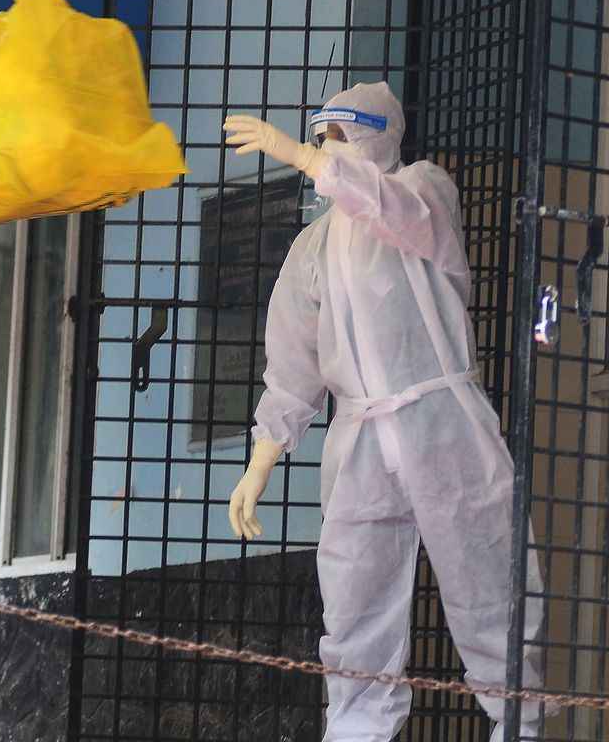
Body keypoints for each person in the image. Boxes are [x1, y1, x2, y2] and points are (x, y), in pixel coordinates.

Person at [222, 82, 547, 742]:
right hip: (359, 440)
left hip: (444, 420)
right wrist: (261, 461)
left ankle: (521, 726)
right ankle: (356, 733)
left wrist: (303, 159)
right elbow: (292, 367)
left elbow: (390, 208)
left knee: (488, 584)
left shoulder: (424, 189)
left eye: (339, 136)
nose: (326, 150)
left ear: (380, 134)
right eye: (320, 138)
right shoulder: (312, 248)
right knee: (355, 604)